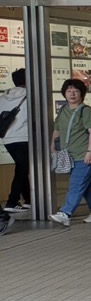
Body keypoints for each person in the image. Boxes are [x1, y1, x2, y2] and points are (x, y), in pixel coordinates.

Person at [48, 78, 91, 226]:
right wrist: (53, 147)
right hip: (69, 156)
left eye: (76, 91)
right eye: (69, 91)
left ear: (81, 94)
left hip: (84, 155)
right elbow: (57, 130)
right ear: (64, 93)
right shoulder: (63, 111)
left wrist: (90, 151)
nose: (72, 94)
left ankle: (65, 213)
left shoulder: (86, 111)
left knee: (76, 184)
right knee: (84, 184)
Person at [2, 69, 29, 215]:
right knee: (22, 169)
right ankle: (12, 202)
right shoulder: (30, 96)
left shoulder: (4, 97)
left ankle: (29, 200)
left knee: (22, 167)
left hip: (8, 138)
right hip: (24, 137)